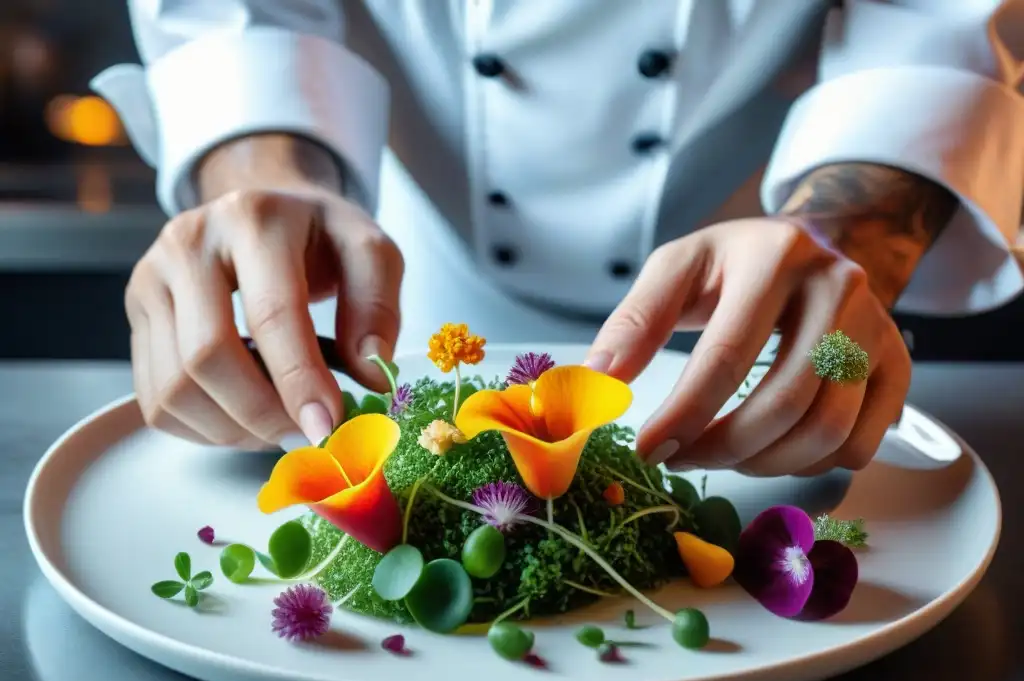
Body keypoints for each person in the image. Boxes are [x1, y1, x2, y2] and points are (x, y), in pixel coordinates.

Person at [94, 0, 1024, 477]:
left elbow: (933, 17)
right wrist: (264, 189)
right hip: (404, 304)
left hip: (767, 310)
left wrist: (844, 245)